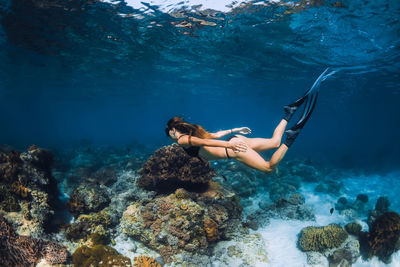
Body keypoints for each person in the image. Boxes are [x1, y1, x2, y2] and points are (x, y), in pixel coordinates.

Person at [165, 90, 318, 173]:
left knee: (268, 167)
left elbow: (206, 142)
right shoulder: (194, 133)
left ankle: (292, 136)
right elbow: (215, 135)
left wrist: (230, 147)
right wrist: (235, 130)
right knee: (274, 142)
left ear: (173, 130)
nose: (171, 139)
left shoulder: (182, 140)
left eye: (169, 134)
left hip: (234, 149)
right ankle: (289, 113)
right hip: (234, 140)